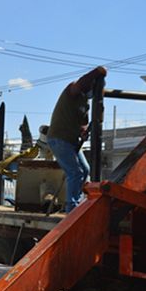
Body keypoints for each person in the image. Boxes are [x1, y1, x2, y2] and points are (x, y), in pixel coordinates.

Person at [47, 66, 107, 213]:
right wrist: (99, 72)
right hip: (59, 139)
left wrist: (84, 132)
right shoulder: (72, 92)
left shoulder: (85, 103)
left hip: (71, 141)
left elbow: (83, 124)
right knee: (75, 172)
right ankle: (71, 208)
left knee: (84, 170)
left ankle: (76, 202)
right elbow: (82, 81)